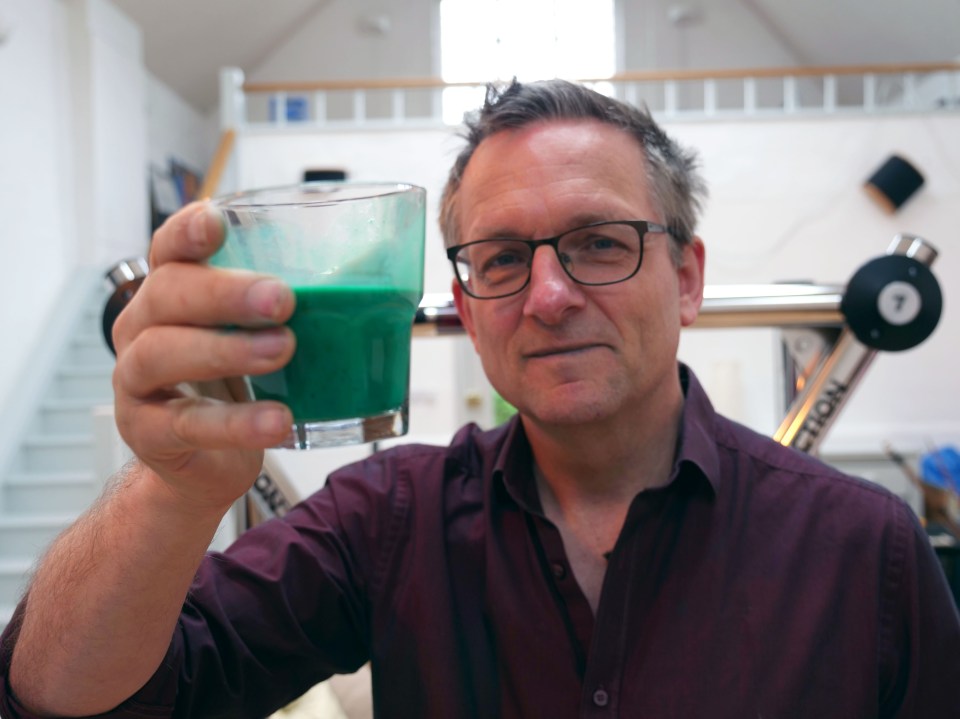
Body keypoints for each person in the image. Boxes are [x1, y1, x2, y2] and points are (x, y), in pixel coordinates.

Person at [2, 79, 959, 718]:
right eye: (502, 258)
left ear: (688, 276)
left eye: (598, 241)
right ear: (463, 305)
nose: (548, 296)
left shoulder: (863, 549)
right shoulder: (384, 522)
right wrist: (170, 489)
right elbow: (72, 699)